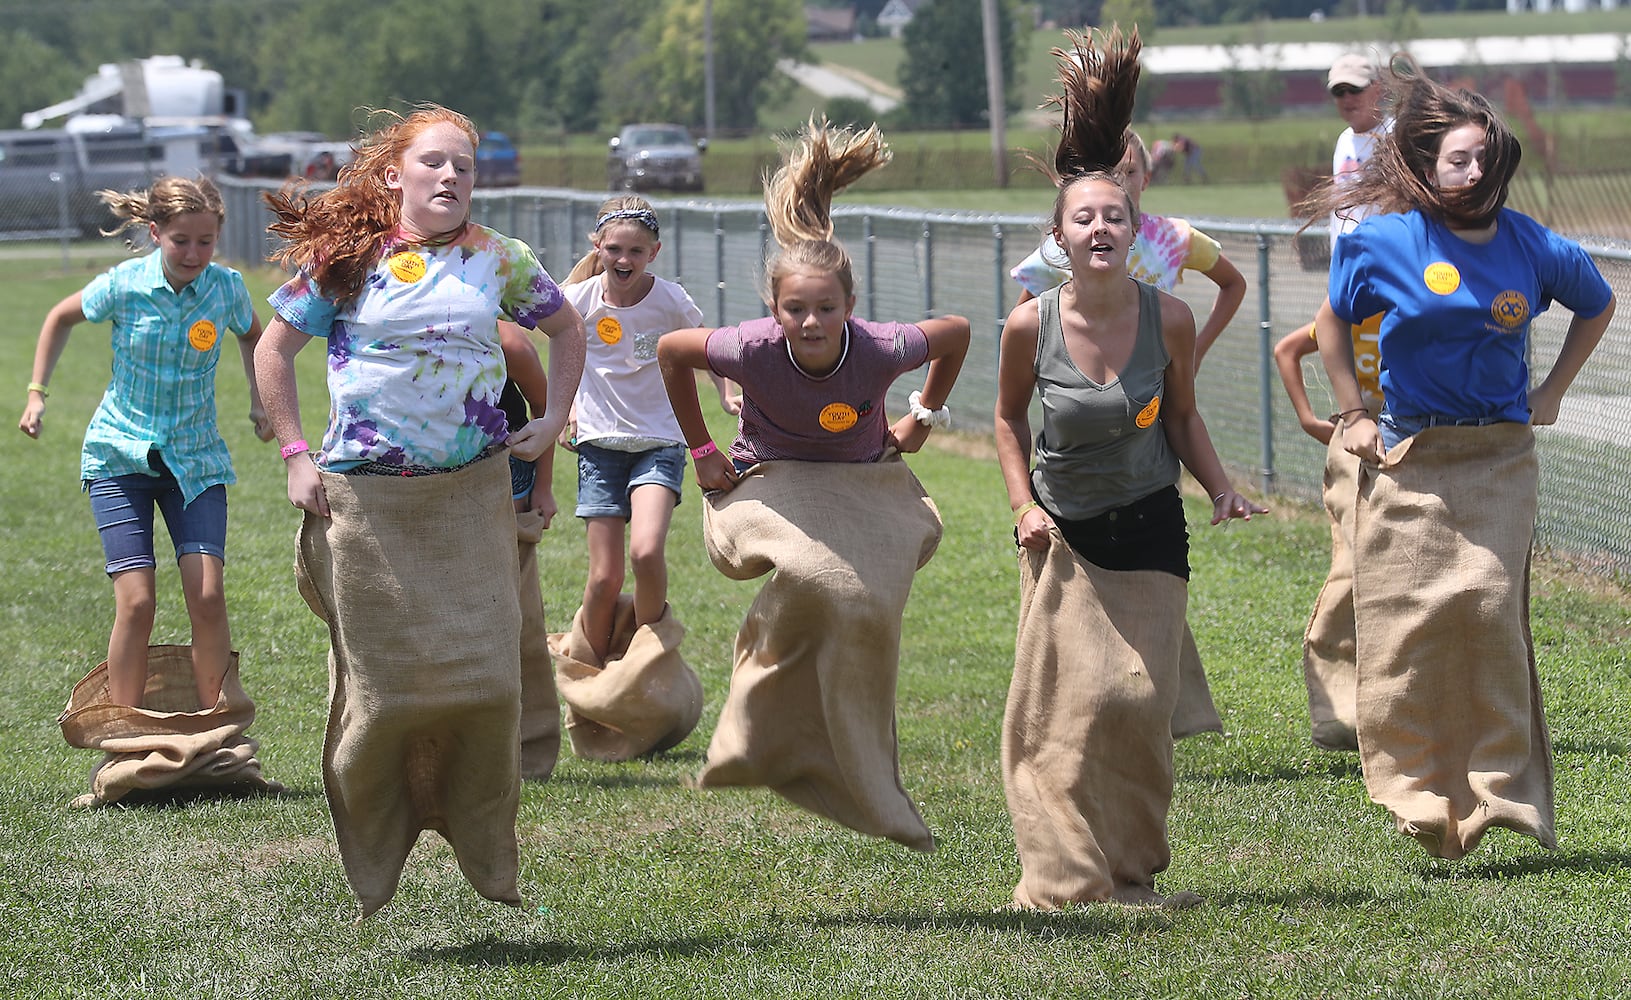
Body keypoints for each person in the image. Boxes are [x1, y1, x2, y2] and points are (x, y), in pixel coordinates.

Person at [254, 104, 586, 917]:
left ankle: (484, 849)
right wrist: (296, 454)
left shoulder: (499, 259)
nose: (450, 177)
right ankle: (376, 852)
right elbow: (273, 351)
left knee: (487, 687)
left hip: (470, 494)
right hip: (367, 501)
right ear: (395, 175)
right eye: (434, 163)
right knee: (389, 694)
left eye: (463, 167)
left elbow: (567, 329)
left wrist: (553, 421)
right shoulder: (347, 258)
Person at [1307, 62, 1615, 860]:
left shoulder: (1532, 245)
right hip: (1414, 452)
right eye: (1456, 159)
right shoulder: (1382, 242)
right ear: (1423, 164)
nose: (1474, 171)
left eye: (1483, 157)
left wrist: (1550, 389)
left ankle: (1499, 793)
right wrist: (1353, 412)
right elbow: (1332, 327)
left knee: (1483, 607)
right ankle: (1414, 788)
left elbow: (1597, 302)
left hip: (1499, 453)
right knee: (1411, 626)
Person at [994, 26, 1265, 910]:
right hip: (1062, 531)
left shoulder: (1170, 319)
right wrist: (1021, 507)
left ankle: (1132, 873)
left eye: (1115, 214)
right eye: (1085, 217)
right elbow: (1004, 421)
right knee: (1069, 711)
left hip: (1150, 521)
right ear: (1061, 238)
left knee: (1141, 709)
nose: (1102, 227)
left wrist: (1220, 486)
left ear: (1132, 224)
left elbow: (1181, 417)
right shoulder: (1028, 325)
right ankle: (1063, 872)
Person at [657, 116, 970, 852]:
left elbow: (954, 332)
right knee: (820, 578)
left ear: (849, 309)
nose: (810, 321)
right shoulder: (750, 349)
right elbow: (673, 353)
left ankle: (862, 773)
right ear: (773, 310)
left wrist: (921, 414)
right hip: (771, 476)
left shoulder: (880, 347)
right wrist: (700, 448)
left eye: (825, 308)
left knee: (863, 608)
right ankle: (751, 731)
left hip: (861, 480)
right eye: (794, 308)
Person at [19, 175, 271, 711]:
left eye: (206, 242)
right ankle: (123, 736)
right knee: (136, 604)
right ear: (156, 232)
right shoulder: (125, 284)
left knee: (207, 596)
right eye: (182, 240)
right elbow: (58, 316)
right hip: (118, 456)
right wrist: (37, 393)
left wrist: (259, 399)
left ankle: (213, 730)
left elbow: (255, 335)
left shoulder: (225, 288)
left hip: (195, 461)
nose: (194, 253)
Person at [1274, 51, 1390, 753]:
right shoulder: (1346, 143)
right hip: (1359, 436)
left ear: (1380, 87)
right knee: (1351, 570)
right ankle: (1340, 711)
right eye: (1337, 92)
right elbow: (1293, 347)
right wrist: (1330, 415)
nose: (1345, 101)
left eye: (1355, 89)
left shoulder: (1399, 136)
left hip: (1406, 433)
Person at [1011, 132, 1246, 368]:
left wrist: (1197, 350)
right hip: (1087, 386)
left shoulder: (1174, 237)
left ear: (1146, 178)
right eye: (1111, 172)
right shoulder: (1068, 244)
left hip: (1159, 387)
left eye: (1130, 171)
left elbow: (1233, 283)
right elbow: (1020, 322)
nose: (1120, 180)